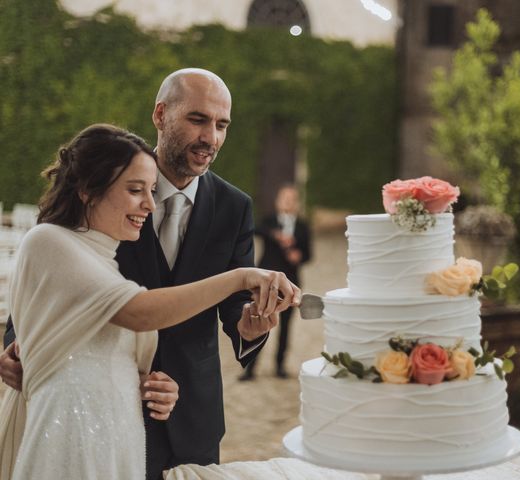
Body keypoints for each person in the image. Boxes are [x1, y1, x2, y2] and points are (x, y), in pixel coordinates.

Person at [0, 68, 281, 478]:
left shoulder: (234, 206)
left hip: (188, 409)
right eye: (198, 119)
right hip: (80, 415)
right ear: (161, 114)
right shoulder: (103, 194)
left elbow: (237, 311)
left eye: (222, 125)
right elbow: (45, 289)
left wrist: (251, 327)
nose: (212, 138)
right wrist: (16, 345)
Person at [239, 184, 312, 380]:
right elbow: (257, 230)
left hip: (291, 283)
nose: (288, 202)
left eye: (292, 199)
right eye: (284, 198)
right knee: (260, 322)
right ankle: (250, 368)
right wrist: (276, 235)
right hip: (266, 282)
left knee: (286, 327)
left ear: (297, 203)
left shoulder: (303, 226)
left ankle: (280, 366)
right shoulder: (269, 221)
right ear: (278, 201)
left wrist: (299, 256)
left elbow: (308, 255)